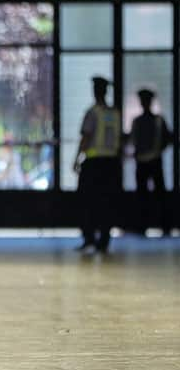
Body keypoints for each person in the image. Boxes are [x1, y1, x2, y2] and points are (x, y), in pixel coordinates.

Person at [73, 76, 122, 254]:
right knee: (107, 202)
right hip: (112, 163)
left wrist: (76, 159)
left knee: (88, 202)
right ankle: (104, 241)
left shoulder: (93, 113)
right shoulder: (115, 113)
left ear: (95, 92)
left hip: (94, 163)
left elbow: (86, 137)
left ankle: (89, 239)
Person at [129, 88, 173, 236]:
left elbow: (166, 139)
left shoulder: (158, 120)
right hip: (144, 161)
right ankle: (143, 225)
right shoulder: (138, 121)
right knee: (143, 195)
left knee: (158, 195)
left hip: (153, 160)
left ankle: (163, 225)